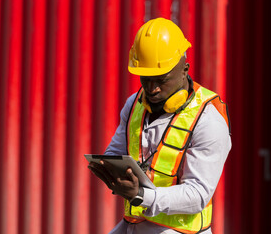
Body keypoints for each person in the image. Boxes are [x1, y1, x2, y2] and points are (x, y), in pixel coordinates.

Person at [88, 17, 231, 234]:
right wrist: (111, 171)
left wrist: (140, 195)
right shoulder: (134, 104)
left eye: (161, 80)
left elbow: (198, 194)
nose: (152, 89)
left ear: (185, 69)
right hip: (134, 225)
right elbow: (115, 153)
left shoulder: (208, 120)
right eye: (146, 79)